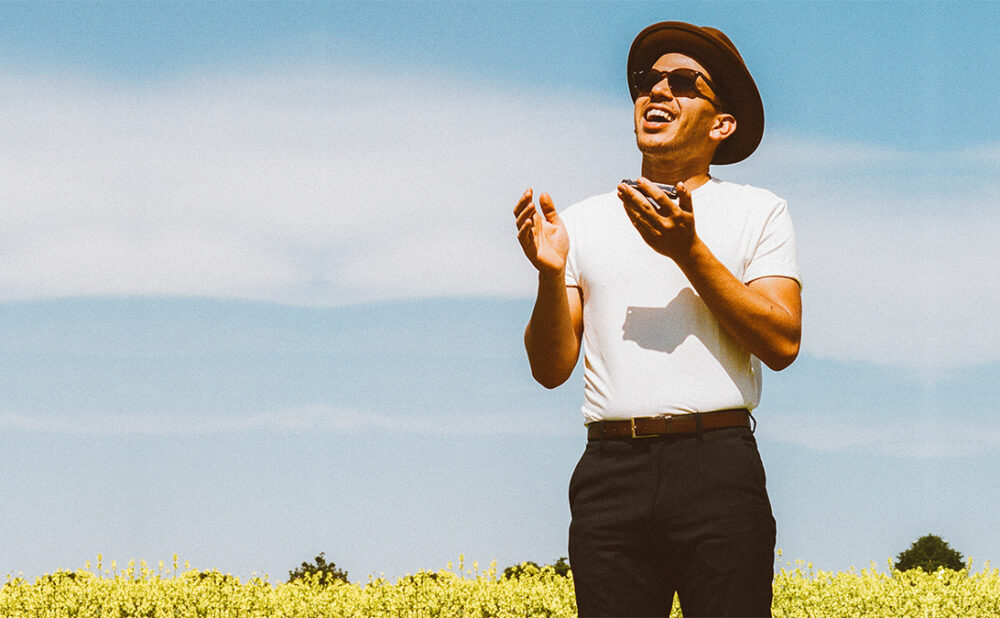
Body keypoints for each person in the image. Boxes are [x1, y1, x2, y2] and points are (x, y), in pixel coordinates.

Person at [512, 21, 802, 618]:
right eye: (648, 81)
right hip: (610, 472)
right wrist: (548, 273)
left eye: (683, 82)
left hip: (718, 465)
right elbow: (548, 369)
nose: (657, 92)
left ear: (722, 124)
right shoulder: (580, 223)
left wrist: (688, 252)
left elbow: (782, 340)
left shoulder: (758, 211)